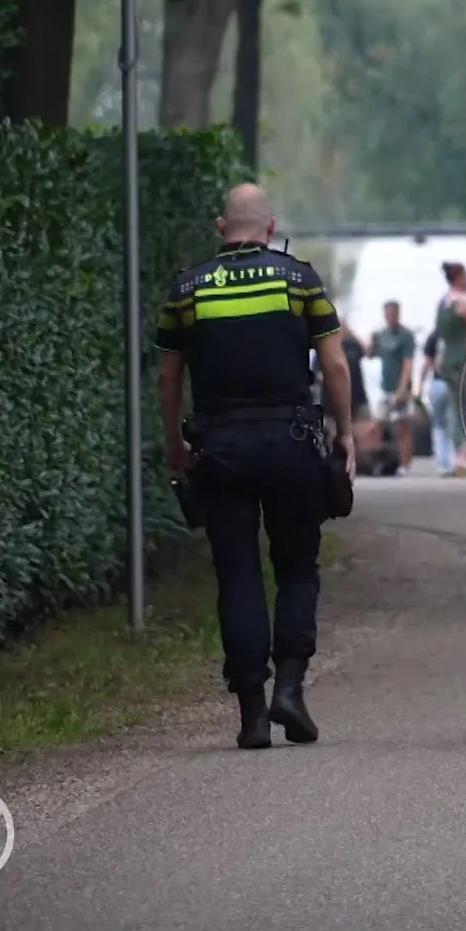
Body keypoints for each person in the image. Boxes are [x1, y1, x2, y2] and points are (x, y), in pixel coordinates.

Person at [153, 183, 354, 750]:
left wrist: (174, 443)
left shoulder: (186, 290)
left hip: (220, 448)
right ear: (269, 229)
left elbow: (168, 377)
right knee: (296, 568)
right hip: (291, 443)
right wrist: (345, 436)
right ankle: (290, 687)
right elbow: (334, 365)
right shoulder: (299, 279)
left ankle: (251, 714)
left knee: (237, 574)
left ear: (222, 227)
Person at [434, 262, 466, 475]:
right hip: (465, 358)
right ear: (460, 277)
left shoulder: (443, 302)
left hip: (447, 361)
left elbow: (440, 335)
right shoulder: (465, 301)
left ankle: (457, 457)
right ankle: (464, 455)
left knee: (455, 409)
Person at [369, 301, 419, 472]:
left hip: (400, 388)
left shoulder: (405, 335)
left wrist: (403, 388)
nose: (390, 317)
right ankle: (376, 462)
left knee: (402, 427)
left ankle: (405, 465)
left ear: (398, 314)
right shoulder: (382, 335)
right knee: (377, 425)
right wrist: (371, 342)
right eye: (387, 314)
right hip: (385, 386)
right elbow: (370, 355)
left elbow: (408, 363)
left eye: (393, 314)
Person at [418, 328, 455, 475]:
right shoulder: (457, 334)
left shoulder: (434, 335)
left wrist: (420, 386)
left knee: (439, 425)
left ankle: (442, 463)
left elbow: (427, 363)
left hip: (438, 383)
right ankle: (454, 461)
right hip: (454, 383)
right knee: (453, 423)